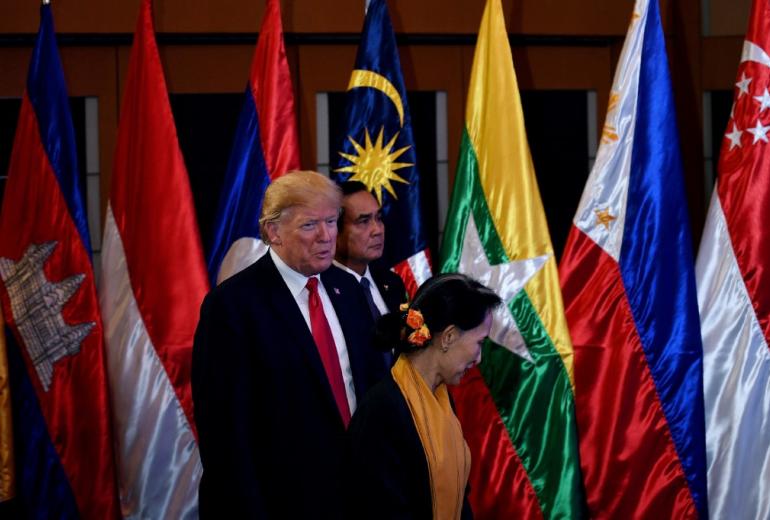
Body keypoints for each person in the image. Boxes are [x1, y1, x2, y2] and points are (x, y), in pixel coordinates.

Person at [192, 170, 387, 518]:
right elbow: (226, 433)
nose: (327, 236)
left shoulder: (349, 290)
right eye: (310, 225)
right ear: (273, 231)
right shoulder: (232, 307)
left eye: (331, 221)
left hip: (361, 497)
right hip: (281, 501)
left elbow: (372, 392)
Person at [345, 273, 502, 519]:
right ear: (448, 337)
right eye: (479, 342)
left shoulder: (441, 398)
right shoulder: (382, 409)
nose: (479, 358)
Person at [334, 181, 407, 319]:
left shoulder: (392, 282)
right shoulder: (322, 288)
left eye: (379, 218)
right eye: (364, 221)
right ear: (335, 231)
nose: (378, 230)